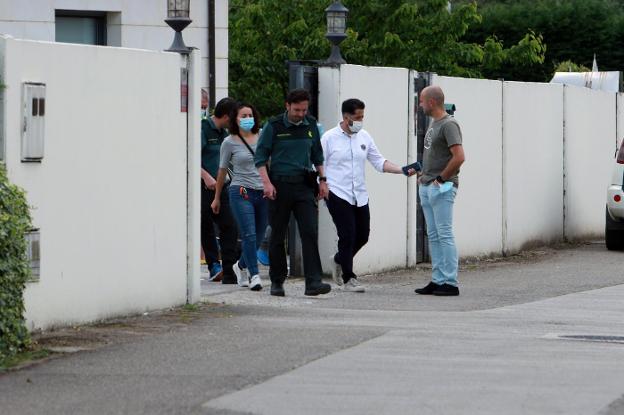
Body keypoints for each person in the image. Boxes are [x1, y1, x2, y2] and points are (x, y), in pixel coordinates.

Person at [322, 98, 412, 293]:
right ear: (346, 117)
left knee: (362, 235)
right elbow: (318, 164)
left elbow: (379, 162)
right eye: (357, 117)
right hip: (337, 192)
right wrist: (321, 187)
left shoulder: (364, 137)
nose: (361, 120)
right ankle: (349, 278)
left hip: (359, 193)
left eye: (363, 116)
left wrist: (401, 170)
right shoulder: (329, 138)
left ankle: (339, 259)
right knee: (347, 234)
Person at [254, 88, 331, 297]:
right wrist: (267, 183)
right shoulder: (275, 126)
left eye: (304, 110)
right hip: (279, 186)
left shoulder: (311, 124)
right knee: (278, 235)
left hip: (304, 185)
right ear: (287, 106)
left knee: (309, 232)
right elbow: (260, 157)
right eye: (296, 110)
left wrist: (323, 180)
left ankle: (313, 282)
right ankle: (277, 282)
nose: (300, 114)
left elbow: (317, 155)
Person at [414, 86, 465, 296]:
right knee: (433, 235)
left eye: (422, 101)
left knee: (444, 233)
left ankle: (450, 282)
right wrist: (423, 175)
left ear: (432, 102)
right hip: (427, 184)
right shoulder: (435, 123)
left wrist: (441, 178)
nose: (420, 104)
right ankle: (438, 279)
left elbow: (459, 156)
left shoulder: (449, 124)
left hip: (442, 186)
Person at [212, 102, 268, 291]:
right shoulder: (229, 142)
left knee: (259, 236)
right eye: (242, 116)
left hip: (263, 191)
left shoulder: (263, 136)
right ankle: (254, 274)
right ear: (235, 119)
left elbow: (271, 163)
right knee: (249, 234)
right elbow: (222, 171)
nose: (247, 119)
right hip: (241, 190)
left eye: (249, 115)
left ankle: (241, 265)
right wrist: (217, 197)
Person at [201, 97, 239, 284]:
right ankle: (213, 266)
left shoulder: (225, 134)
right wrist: (206, 176)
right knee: (206, 225)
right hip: (205, 187)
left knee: (229, 225)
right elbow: (190, 155)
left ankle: (229, 267)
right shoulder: (203, 129)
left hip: (222, 187)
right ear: (226, 116)